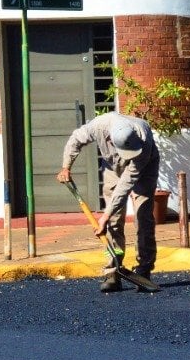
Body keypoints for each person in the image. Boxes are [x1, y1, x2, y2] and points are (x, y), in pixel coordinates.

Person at [56, 112, 159, 292]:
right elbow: (75, 140)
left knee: (143, 217)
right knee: (113, 222)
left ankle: (144, 269)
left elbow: (126, 183)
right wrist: (66, 166)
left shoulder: (144, 141)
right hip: (112, 166)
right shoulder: (98, 126)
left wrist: (103, 215)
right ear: (111, 140)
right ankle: (113, 270)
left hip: (145, 166)